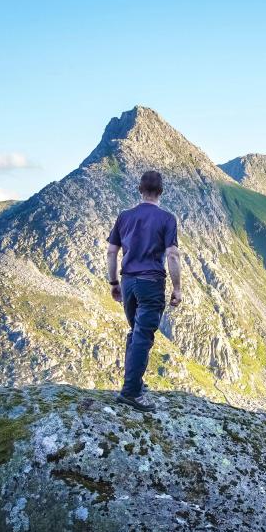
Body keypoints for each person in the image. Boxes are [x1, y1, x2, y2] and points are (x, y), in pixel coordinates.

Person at [106, 170, 182, 412]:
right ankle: (130, 393)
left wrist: (113, 283)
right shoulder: (167, 219)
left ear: (140, 189)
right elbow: (172, 254)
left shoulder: (124, 217)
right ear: (161, 192)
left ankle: (134, 383)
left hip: (128, 282)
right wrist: (177, 288)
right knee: (142, 335)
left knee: (135, 332)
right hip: (151, 283)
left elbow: (111, 252)